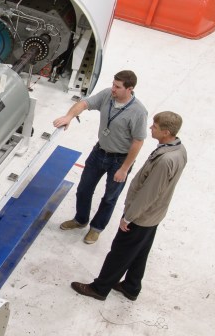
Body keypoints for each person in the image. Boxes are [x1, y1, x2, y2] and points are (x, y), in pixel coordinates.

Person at [71, 111, 187, 301]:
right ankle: (131, 286)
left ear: (166, 132)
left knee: (120, 252)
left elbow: (149, 193)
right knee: (140, 251)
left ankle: (100, 288)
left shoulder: (166, 160)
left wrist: (129, 217)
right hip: (154, 215)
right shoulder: (178, 150)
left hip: (141, 216)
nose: (151, 128)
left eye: (155, 127)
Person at [53, 70, 148, 244]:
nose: (113, 88)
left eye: (117, 87)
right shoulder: (107, 95)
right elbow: (84, 103)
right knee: (84, 189)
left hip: (119, 160)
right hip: (99, 152)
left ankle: (96, 228)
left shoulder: (138, 112)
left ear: (130, 89)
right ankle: (80, 220)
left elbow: (137, 142)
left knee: (110, 197)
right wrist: (69, 116)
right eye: (113, 84)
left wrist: (124, 168)